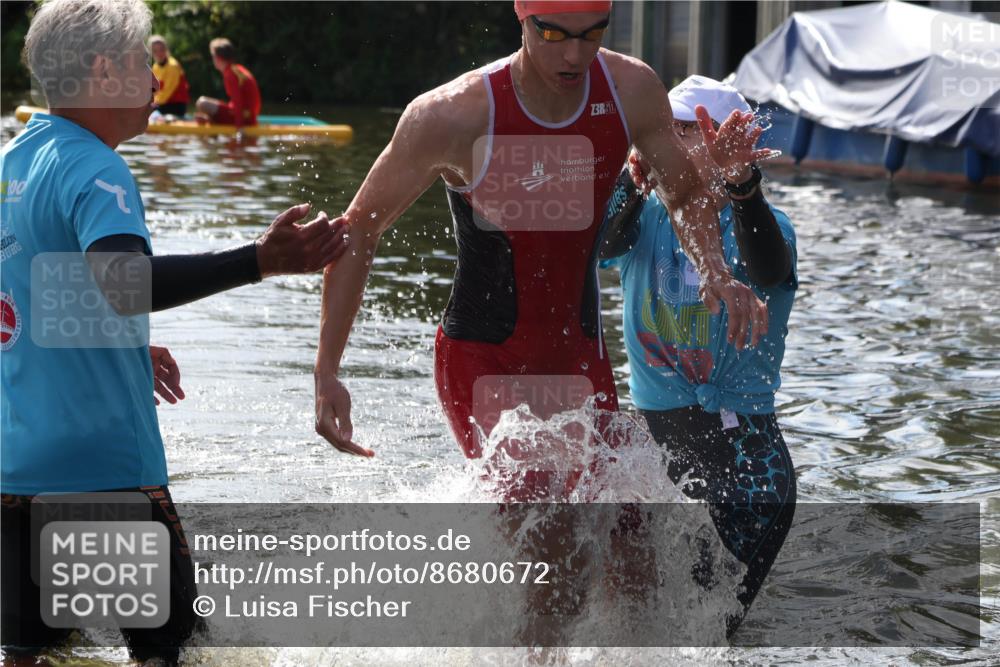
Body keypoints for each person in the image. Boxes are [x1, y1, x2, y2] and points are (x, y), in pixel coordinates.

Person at [1, 1, 347, 663]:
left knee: (25, 656)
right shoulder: (97, 169)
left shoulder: (12, 163)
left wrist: (121, 339)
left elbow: (20, 289)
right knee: (167, 654)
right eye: (139, 63)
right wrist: (258, 260)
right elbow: (126, 283)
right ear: (104, 72)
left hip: (16, 469)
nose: (152, 80)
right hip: (105, 471)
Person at [313, 1, 770, 501]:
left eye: (592, 34)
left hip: (579, 355)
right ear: (522, 16)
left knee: (628, 525)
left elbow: (682, 193)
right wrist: (327, 371)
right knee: (540, 518)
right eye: (554, 35)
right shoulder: (453, 115)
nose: (574, 55)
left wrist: (714, 270)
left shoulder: (630, 90)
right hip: (485, 358)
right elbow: (358, 230)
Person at [599, 75, 798, 636]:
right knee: (635, 625)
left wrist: (742, 184)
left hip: (749, 469)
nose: (670, 142)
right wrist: (632, 181)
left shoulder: (766, 226)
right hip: (657, 452)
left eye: (689, 131)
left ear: (731, 144)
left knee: (712, 636)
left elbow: (769, 269)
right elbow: (601, 245)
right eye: (664, 130)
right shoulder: (644, 220)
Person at [194, 38, 261, 128]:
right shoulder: (235, 69)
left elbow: (238, 102)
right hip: (248, 116)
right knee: (205, 105)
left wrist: (239, 128)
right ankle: (210, 120)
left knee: (202, 103)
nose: (212, 59)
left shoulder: (231, 74)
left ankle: (212, 122)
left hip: (246, 119)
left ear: (218, 58)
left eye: (213, 56)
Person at [149, 35, 189, 117]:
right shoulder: (155, 67)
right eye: (155, 51)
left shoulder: (173, 66)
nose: (159, 53)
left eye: (161, 49)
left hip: (176, 105)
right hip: (162, 104)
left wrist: (153, 103)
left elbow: (167, 92)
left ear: (166, 49)